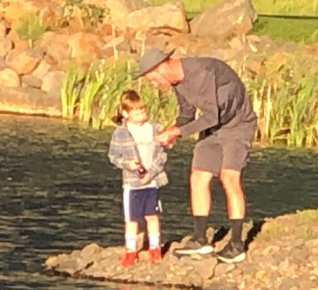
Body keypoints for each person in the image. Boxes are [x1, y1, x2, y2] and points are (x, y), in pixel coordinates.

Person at [135, 48, 257, 264]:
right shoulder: (177, 83)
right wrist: (170, 131)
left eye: (153, 78)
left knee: (229, 177)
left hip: (237, 126)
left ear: (162, 67)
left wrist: (177, 132)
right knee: (198, 177)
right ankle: (200, 240)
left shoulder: (202, 72)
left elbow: (211, 116)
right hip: (212, 129)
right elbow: (187, 114)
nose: (154, 84)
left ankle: (237, 244)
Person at [107, 90, 169, 267]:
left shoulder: (155, 129)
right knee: (131, 219)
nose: (141, 116)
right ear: (126, 113)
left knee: (152, 215)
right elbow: (113, 156)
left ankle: (155, 248)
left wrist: (151, 173)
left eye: (143, 112)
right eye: (136, 113)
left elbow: (162, 155)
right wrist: (127, 164)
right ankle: (130, 250)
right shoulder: (121, 133)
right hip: (132, 184)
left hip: (152, 182)